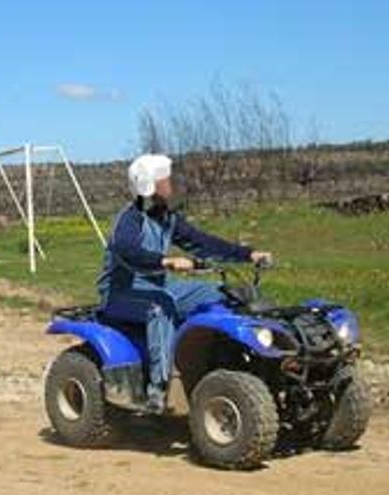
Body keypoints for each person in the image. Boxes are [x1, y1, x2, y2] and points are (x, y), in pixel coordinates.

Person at [97, 154, 272, 412]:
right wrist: (166, 262)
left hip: (159, 284)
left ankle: (235, 360)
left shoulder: (167, 217)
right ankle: (158, 389)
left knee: (224, 293)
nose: (170, 183)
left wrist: (247, 254)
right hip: (121, 292)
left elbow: (203, 243)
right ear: (149, 185)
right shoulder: (130, 219)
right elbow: (128, 251)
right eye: (165, 179)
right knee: (160, 305)